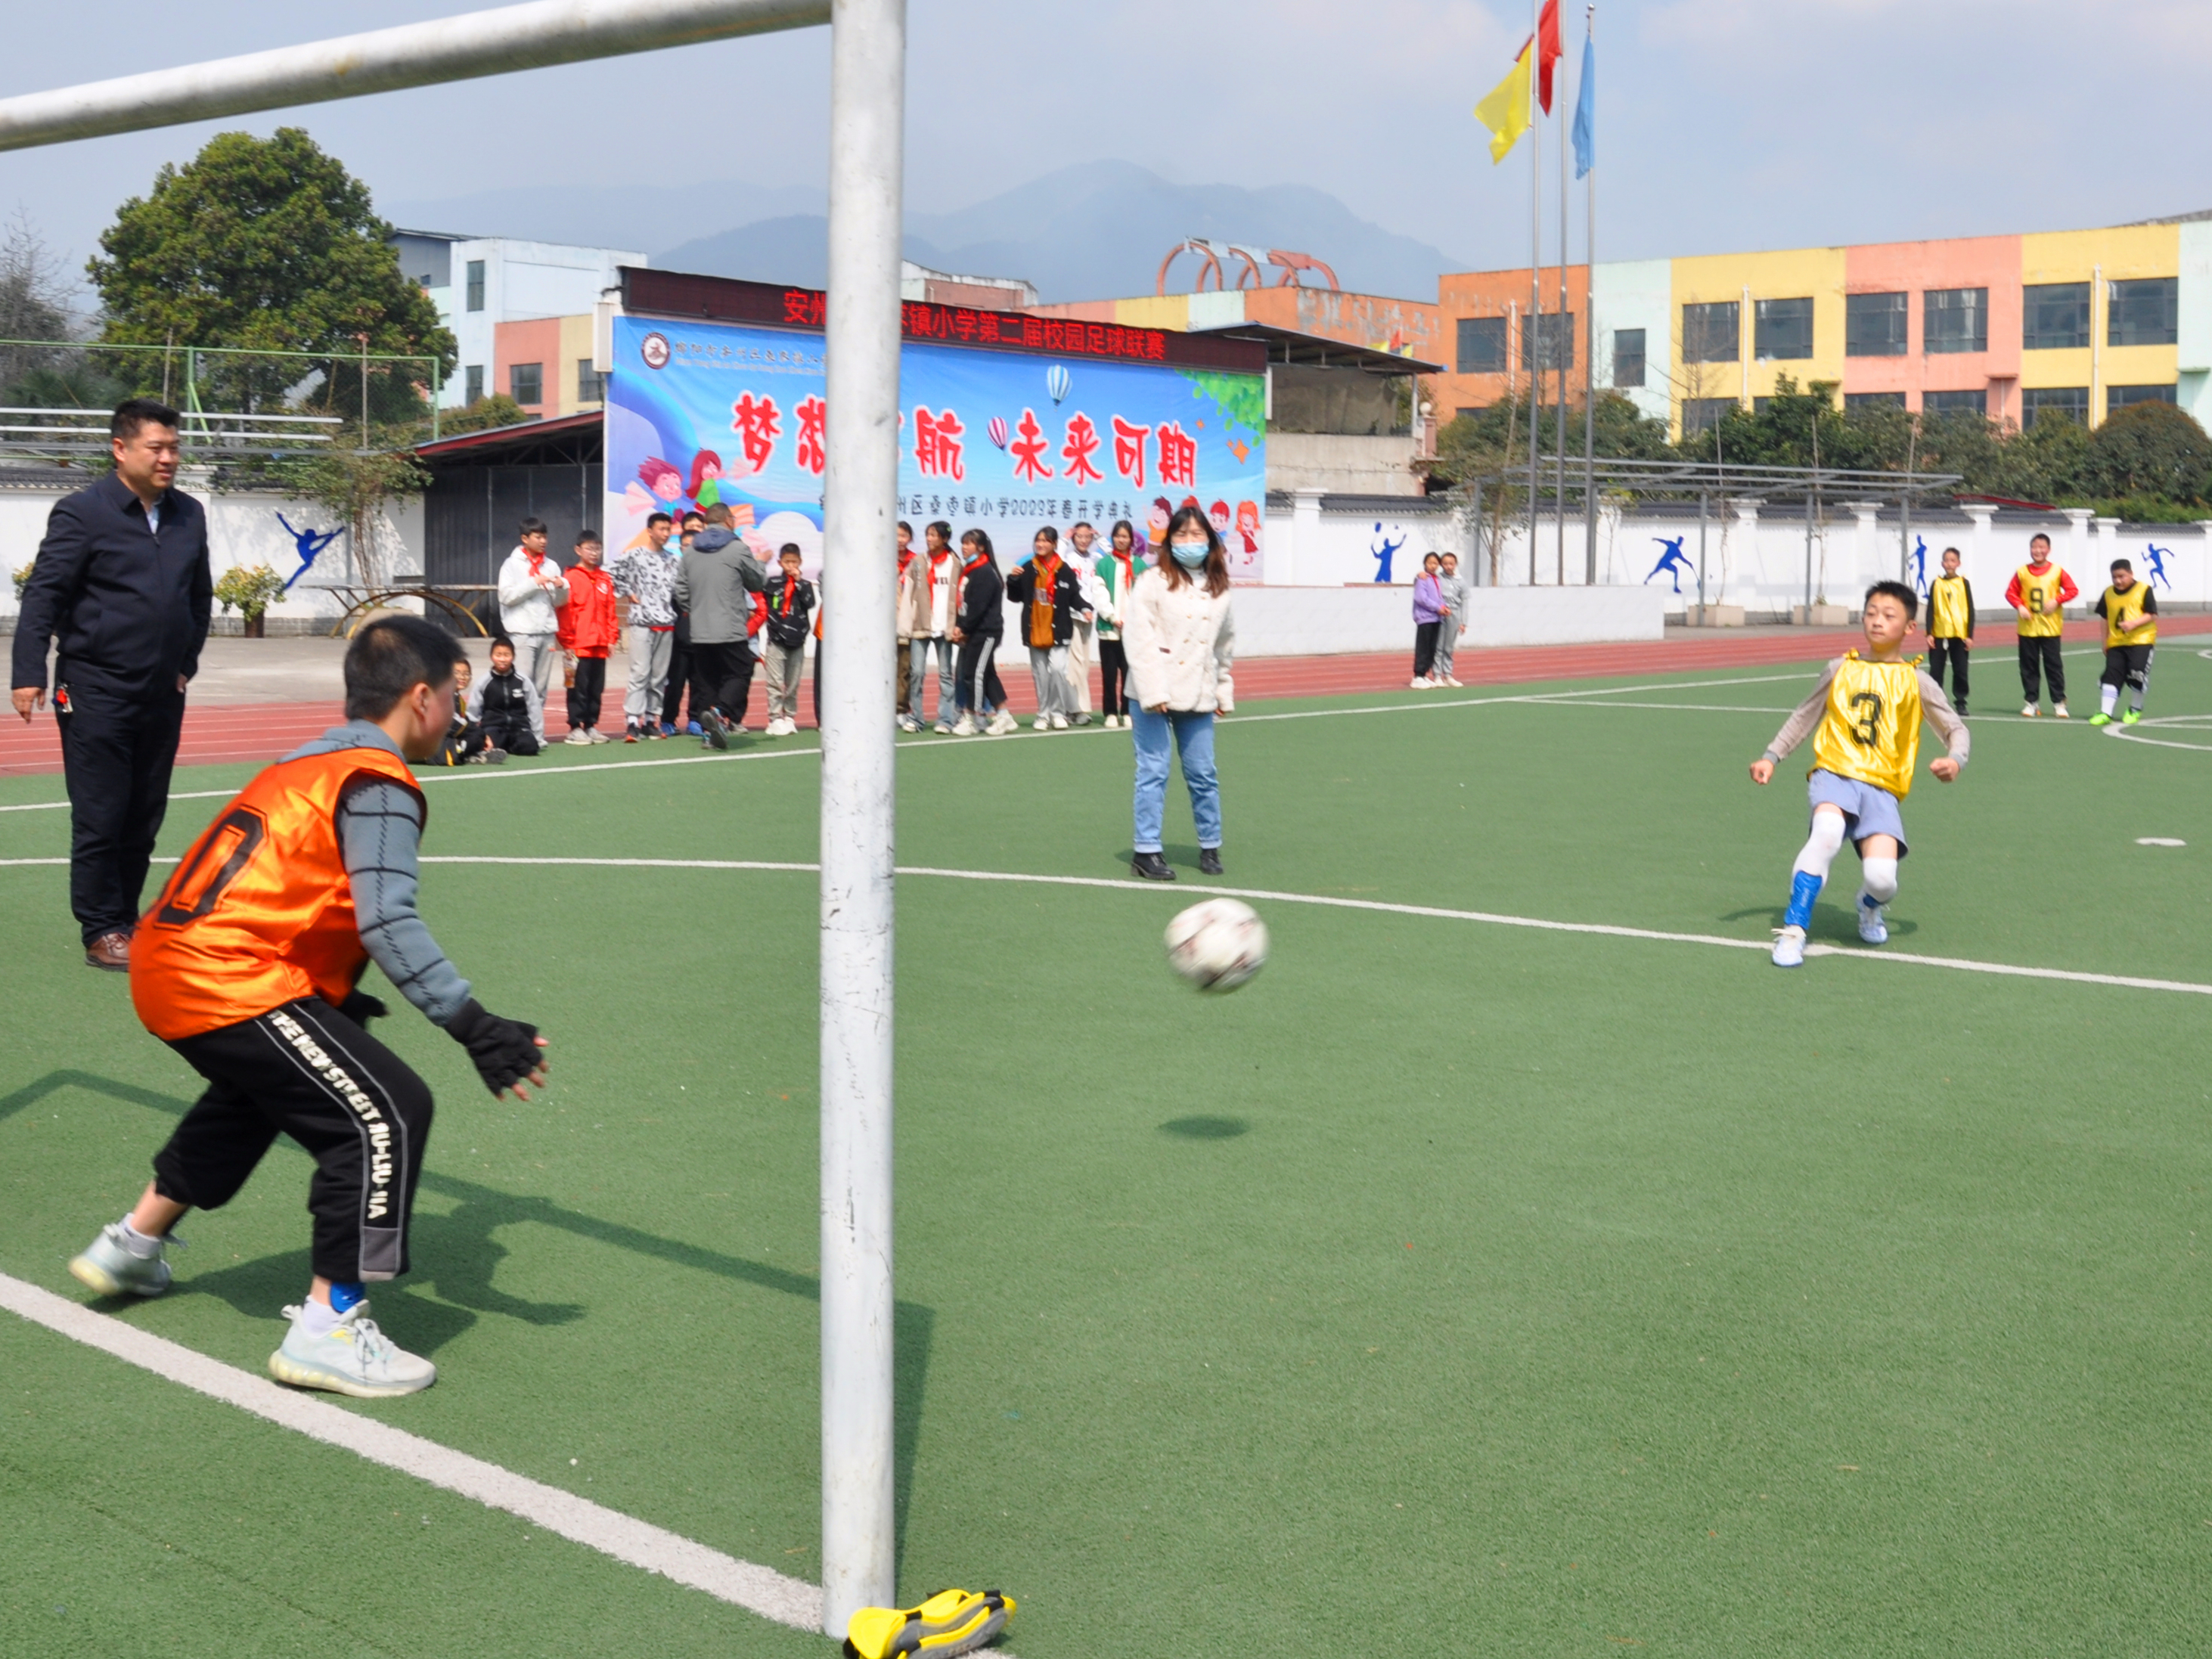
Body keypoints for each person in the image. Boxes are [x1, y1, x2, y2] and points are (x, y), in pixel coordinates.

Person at [68, 615, 546, 1397]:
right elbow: (387, 920)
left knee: (264, 1091)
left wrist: (333, 996)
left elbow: (284, 890)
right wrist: (475, 1027)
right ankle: (329, 1326)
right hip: (229, 976)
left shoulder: (303, 763)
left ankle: (132, 1244)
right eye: (451, 697)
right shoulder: (379, 781)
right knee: (387, 1112)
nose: (455, 714)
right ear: (420, 698)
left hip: (166, 963)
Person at [11, 398, 210, 971]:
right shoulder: (83, 512)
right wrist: (28, 673)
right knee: (102, 814)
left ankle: (127, 920)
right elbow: (44, 595)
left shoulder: (189, 514)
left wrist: (186, 662)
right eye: (157, 448)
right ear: (120, 449)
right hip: (94, 688)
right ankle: (101, 929)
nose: (168, 458)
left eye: (174, 448)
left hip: (162, 691)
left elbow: (198, 595)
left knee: (144, 815)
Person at [1750, 581, 1969, 969]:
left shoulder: (1916, 680)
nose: (1877, 621)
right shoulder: (1840, 668)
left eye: (1889, 616)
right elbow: (1804, 716)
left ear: (1910, 628)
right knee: (1826, 835)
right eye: (1871, 613)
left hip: (1882, 789)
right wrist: (1772, 756)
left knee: (1882, 879)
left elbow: (1956, 729)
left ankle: (1868, 905)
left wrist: (1955, 760)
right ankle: (1794, 930)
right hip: (1834, 773)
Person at [1124, 504, 1235, 881]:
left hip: (1198, 692)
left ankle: (1210, 845)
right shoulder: (1152, 581)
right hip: (1152, 693)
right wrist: (1153, 691)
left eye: (1197, 534)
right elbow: (1139, 638)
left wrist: (1223, 691)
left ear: (1210, 540)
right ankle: (1146, 851)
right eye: (1181, 534)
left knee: (1203, 772)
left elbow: (1223, 645)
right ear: (1169, 541)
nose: (1190, 541)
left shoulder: (1219, 588)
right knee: (1153, 770)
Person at [675, 502, 768, 749]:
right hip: (730, 627)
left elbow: (680, 590)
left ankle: (710, 735)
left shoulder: (691, 551)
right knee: (741, 671)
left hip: (701, 630)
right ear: (728, 520)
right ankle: (720, 712)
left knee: (707, 682)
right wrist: (760, 562)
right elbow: (757, 582)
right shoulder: (737, 548)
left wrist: (696, 610)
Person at [1005, 526, 1085, 730]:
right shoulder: (1028, 568)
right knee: (1040, 675)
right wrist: (1013, 580)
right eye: (1038, 540)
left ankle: (1058, 713)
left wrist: (1085, 608)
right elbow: (1015, 597)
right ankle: (1043, 715)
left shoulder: (1065, 570)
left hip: (1059, 630)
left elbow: (1074, 597)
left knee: (1058, 669)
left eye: (1046, 541)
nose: (1040, 544)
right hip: (1035, 629)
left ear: (1054, 544)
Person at [611, 510, 678, 741]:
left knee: (659, 676)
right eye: (661, 529)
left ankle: (651, 719)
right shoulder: (634, 555)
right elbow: (611, 573)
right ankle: (632, 721)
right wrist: (628, 592)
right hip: (642, 622)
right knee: (640, 672)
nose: (666, 533)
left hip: (666, 624)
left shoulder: (673, 560)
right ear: (650, 531)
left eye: (668, 529)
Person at [495, 517, 569, 702]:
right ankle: (521, 719)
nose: (543, 541)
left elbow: (559, 602)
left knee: (541, 686)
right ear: (525, 539)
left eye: (545, 537)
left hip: (546, 631)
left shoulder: (551, 565)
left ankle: (537, 720)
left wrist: (562, 587)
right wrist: (533, 583)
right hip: (522, 632)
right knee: (523, 682)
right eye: (538, 537)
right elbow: (506, 597)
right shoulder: (511, 564)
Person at [949, 529, 1015, 737]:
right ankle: (1004, 715)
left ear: (981, 547)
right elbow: (966, 604)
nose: (964, 547)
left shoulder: (985, 572)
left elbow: (978, 607)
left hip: (986, 632)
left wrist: (963, 628)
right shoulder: (971, 570)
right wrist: (961, 625)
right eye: (963, 543)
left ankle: (973, 717)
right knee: (986, 674)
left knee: (974, 674)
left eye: (969, 544)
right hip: (975, 630)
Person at [555, 529, 616, 744]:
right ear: (578, 550)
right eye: (590, 548)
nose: (594, 553)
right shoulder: (570, 578)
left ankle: (590, 725)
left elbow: (610, 611)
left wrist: (611, 638)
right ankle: (575, 727)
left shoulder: (604, 578)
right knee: (576, 687)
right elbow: (565, 612)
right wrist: (567, 642)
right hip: (577, 645)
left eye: (598, 549)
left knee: (596, 688)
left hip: (599, 644)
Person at [2006, 532, 2076, 718]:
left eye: (2042, 547)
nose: (2038, 551)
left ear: (2048, 550)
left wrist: (2057, 601)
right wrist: (2020, 606)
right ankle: (2031, 702)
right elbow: (2010, 593)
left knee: (2053, 666)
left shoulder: (2057, 571)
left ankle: (2059, 703)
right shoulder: (2022, 572)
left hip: (2050, 628)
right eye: (2035, 547)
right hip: (2027, 628)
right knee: (2029, 667)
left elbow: (2072, 590)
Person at [901, 520, 960, 733]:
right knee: (916, 672)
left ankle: (945, 720)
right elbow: (907, 592)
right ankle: (916, 718)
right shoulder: (918, 562)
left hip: (945, 627)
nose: (929, 539)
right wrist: (905, 623)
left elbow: (960, 597)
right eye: (928, 534)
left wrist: (957, 624)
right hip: (921, 625)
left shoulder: (955, 563)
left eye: (934, 535)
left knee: (945, 674)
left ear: (945, 539)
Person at [2090, 557, 2157, 725]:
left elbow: (2151, 614)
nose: (2118, 581)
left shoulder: (2144, 589)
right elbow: (2104, 618)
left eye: (2122, 576)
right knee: (2111, 675)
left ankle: (2135, 708)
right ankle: (2106, 712)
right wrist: (2105, 641)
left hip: (2141, 640)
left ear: (2131, 574)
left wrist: (2133, 624)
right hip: (2117, 642)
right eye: (2114, 577)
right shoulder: (2108, 593)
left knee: (2137, 674)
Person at [761, 544, 817, 738]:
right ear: (780, 562)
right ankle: (775, 717)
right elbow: (765, 605)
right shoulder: (773, 583)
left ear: (800, 562)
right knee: (775, 681)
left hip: (797, 639)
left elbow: (810, 603)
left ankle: (790, 716)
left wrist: (799, 581)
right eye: (787, 562)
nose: (791, 565)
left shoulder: (805, 585)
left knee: (793, 683)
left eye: (794, 562)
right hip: (777, 639)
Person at [1092, 519, 1143, 728]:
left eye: (1125, 536)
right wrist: (1113, 618)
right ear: (1113, 538)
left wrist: (1132, 620)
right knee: (1110, 674)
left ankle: (1127, 711)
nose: (1121, 540)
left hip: (1132, 631)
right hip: (1109, 629)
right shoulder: (1104, 564)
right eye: (1118, 536)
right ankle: (1111, 712)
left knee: (1130, 674)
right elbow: (1099, 594)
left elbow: (1144, 597)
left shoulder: (1139, 565)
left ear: (1131, 539)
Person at [661, 510, 707, 736]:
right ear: (680, 548)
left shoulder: (708, 571)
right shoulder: (672, 571)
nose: (690, 549)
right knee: (675, 683)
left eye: (694, 545)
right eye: (686, 545)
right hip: (679, 638)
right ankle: (668, 720)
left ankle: (695, 720)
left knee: (700, 683)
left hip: (703, 637)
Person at [467, 637, 544, 756]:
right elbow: (473, 712)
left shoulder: (523, 681)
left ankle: (510, 747)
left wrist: (538, 737)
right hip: (493, 728)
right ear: (491, 657)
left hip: (519, 728)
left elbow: (534, 709)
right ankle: (501, 746)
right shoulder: (483, 682)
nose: (502, 659)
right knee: (487, 745)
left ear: (513, 657)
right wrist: (473, 734)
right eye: (498, 655)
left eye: (506, 655)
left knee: (530, 747)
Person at [1064, 521, 1108, 725]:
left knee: (1083, 662)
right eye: (1079, 536)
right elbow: (1056, 557)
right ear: (1074, 537)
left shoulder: (1096, 558)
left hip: (1089, 615)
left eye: (1087, 537)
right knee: (1075, 661)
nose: (1083, 540)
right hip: (1072, 613)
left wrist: (1100, 538)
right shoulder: (1068, 558)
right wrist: (1065, 539)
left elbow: (1114, 557)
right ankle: (1076, 709)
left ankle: (1075, 708)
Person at [1925, 545, 1973, 718]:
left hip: (1959, 635)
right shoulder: (1937, 583)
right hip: (1939, 633)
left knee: (1961, 670)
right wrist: (1929, 633)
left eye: (1953, 560)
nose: (1949, 563)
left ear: (1958, 563)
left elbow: (1970, 609)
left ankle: (1961, 702)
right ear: (1942, 563)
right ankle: (1936, 702)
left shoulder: (1964, 583)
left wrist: (1969, 635)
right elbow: (1931, 609)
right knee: (1936, 670)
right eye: (1946, 560)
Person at [436, 654, 502, 765]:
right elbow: (453, 723)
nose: (462, 677)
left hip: (446, 738)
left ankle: (469, 754)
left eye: (466, 674)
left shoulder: (458, 699)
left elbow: (465, 721)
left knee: (477, 736)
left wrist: (482, 734)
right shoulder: (442, 695)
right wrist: (480, 733)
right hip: (433, 743)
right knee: (475, 736)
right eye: (457, 673)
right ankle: (466, 754)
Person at [1410, 553, 1447, 687]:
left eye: (1436, 563)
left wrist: (1444, 607)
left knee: (1432, 648)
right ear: (1425, 564)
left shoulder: (1437, 579)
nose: (1433, 566)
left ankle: (1424, 674)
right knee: (1423, 647)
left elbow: (1439, 597)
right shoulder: (1423, 578)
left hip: (1436, 618)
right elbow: (1421, 598)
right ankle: (1418, 676)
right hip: (1425, 618)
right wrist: (1437, 608)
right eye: (1430, 563)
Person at [1432, 552, 1468, 687]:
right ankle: (1437, 676)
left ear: (1455, 564)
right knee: (1438, 646)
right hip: (1440, 614)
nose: (1448, 566)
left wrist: (1463, 622)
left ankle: (1448, 675)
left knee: (1449, 647)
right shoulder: (1437, 578)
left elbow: (1465, 603)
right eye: (1445, 564)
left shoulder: (1461, 581)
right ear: (1441, 565)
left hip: (1454, 614)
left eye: (1451, 564)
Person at [894, 521, 916, 727]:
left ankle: (900, 709)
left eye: (904, 535)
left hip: (906, 622)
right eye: (896, 535)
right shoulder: (880, 558)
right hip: (883, 622)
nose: (900, 540)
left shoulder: (915, 562)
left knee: (904, 666)